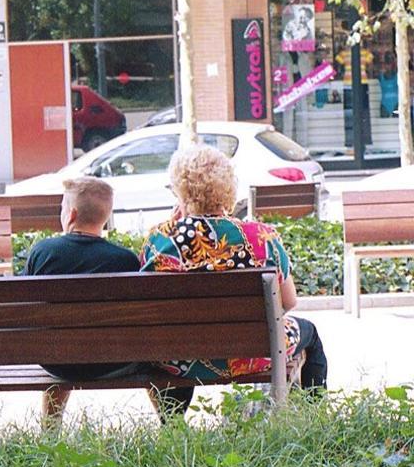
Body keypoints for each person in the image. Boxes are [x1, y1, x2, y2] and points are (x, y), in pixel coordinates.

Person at [141, 145, 328, 416]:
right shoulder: (262, 236)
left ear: (180, 191)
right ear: (228, 188)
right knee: (309, 332)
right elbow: (288, 302)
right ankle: (315, 417)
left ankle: (172, 426)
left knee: (181, 337)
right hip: (252, 354)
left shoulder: (160, 238)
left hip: (179, 359)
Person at [23, 177, 142, 424]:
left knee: (62, 339)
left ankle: (50, 428)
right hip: (114, 361)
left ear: (71, 214)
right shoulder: (125, 260)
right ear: (106, 217)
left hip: (57, 361)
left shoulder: (43, 253)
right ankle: (170, 423)